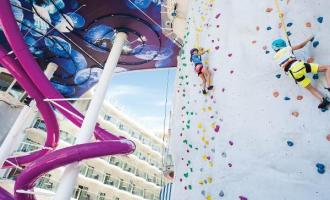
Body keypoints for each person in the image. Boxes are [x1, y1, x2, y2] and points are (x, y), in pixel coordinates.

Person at [272, 36, 330, 110]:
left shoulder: (275, 57)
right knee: (327, 68)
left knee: (310, 88)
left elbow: (284, 59)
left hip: (293, 74)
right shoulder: (286, 49)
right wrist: (309, 39)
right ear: (283, 46)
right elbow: (300, 46)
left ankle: (323, 100)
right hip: (298, 66)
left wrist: (289, 51)